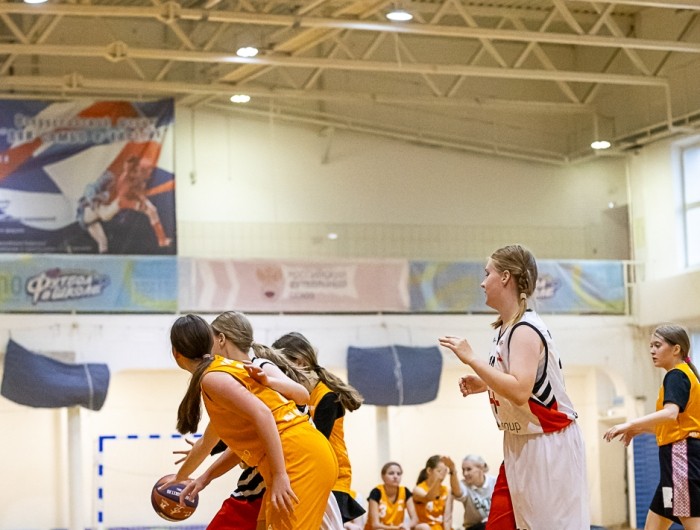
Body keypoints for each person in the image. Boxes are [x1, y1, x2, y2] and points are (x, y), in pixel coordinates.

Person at [439, 244, 590, 530]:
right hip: (520, 438)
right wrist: (486, 383)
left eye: (487, 274)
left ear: (506, 277)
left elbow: (520, 390)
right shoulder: (506, 328)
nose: (483, 282)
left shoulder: (525, 328)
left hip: (547, 439)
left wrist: (472, 359)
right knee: (502, 524)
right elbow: (523, 381)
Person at [169, 312, 338, 530]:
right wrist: (183, 479)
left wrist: (280, 474)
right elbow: (207, 444)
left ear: (175, 353)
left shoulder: (214, 378)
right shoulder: (221, 371)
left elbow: (264, 414)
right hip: (299, 454)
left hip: (297, 458)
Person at [604, 324, 700, 530]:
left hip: (680, 458)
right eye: (651, 346)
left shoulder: (676, 375)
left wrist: (630, 423)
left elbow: (670, 413)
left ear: (676, 349)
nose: (652, 351)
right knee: (653, 526)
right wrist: (638, 430)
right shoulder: (682, 375)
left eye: (657, 345)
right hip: (674, 461)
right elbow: (674, 424)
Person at [272, 331, 366, 525]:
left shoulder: (327, 397)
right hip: (310, 474)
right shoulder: (295, 394)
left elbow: (315, 443)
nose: (279, 374)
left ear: (300, 362)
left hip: (333, 478)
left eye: (281, 367)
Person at [365, 461, 425, 530]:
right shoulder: (376, 492)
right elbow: (375, 525)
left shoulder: (405, 491)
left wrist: (407, 526)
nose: (395, 476)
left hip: (399, 528)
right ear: (382, 476)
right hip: (381, 529)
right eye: (391, 473)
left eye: (398, 474)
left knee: (423, 527)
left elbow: (415, 519)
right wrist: (396, 528)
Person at [445, 455, 496, 530]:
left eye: (469, 469)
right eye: (463, 470)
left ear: (481, 468)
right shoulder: (464, 485)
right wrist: (452, 471)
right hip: (475, 527)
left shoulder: (495, 481)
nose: (465, 473)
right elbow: (457, 492)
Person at [412, 455, 452, 530]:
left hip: (440, 527)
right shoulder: (418, 489)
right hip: (425, 527)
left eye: (445, 471)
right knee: (424, 527)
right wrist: (438, 480)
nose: (443, 475)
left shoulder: (446, 490)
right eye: (439, 471)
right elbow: (429, 498)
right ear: (429, 471)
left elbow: (447, 518)